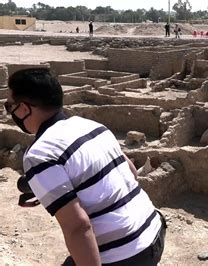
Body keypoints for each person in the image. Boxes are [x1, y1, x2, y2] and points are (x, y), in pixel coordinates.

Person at [4, 68, 167, 265]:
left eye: (9, 106)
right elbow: (131, 172)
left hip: (126, 255)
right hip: (155, 232)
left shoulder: (40, 153)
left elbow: (78, 228)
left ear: (23, 108)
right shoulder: (92, 126)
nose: (10, 112)